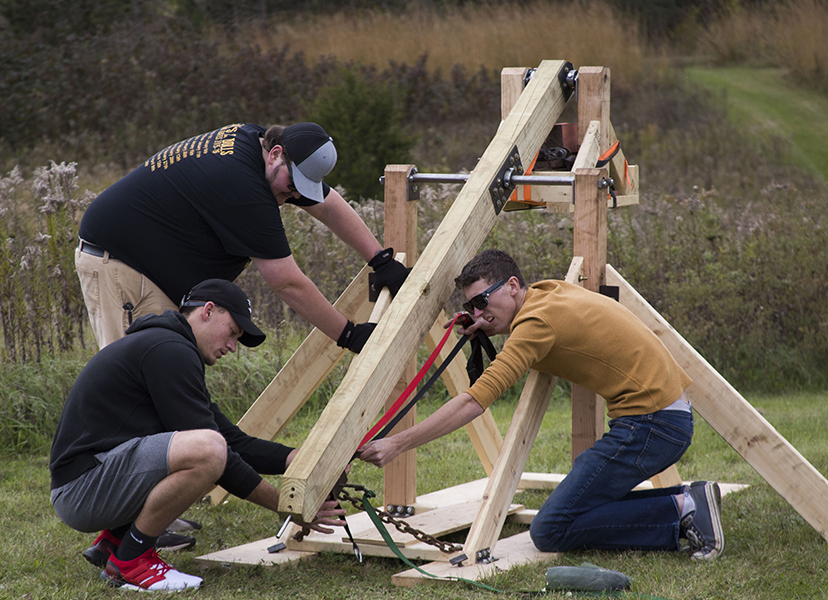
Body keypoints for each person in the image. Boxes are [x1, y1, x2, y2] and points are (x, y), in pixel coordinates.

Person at [358, 249, 725, 560]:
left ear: (513, 286)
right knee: (576, 508)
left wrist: (397, 444)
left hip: (652, 425)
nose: (478, 312)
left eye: (482, 301)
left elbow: (474, 401)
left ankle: (685, 509)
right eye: (470, 306)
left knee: (551, 529)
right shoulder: (549, 292)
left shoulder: (535, 324)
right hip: (661, 416)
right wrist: (487, 321)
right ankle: (688, 500)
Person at [50, 279, 346, 592]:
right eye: (232, 332)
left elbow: (233, 441)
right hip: (82, 492)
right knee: (207, 452)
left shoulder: (168, 346)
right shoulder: (169, 351)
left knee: (210, 445)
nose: (232, 346)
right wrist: (286, 507)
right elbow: (217, 453)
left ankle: (115, 541)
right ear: (207, 312)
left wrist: (298, 459)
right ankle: (131, 562)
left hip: (90, 482)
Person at [75, 121, 408, 350]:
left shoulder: (256, 142)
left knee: (166, 379)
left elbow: (327, 204)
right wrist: (348, 335)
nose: (293, 196)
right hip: (123, 269)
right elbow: (287, 282)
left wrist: (380, 260)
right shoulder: (243, 187)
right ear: (276, 153)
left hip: (152, 272)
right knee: (136, 385)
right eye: (292, 187)